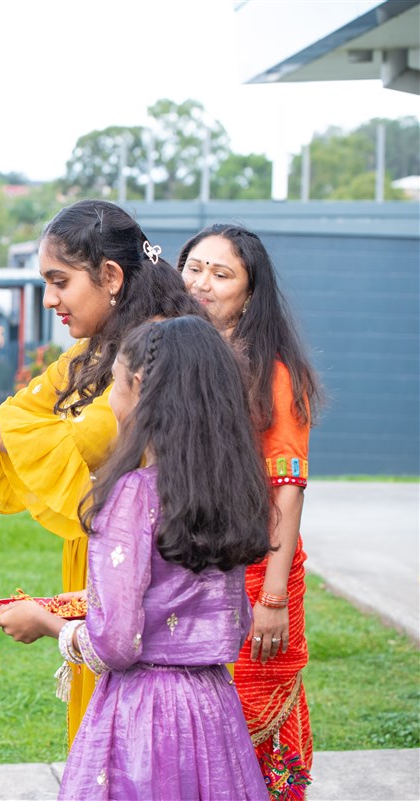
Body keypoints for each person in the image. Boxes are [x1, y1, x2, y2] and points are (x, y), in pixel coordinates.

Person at [0, 199, 202, 747]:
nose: (50, 299)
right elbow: (15, 426)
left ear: (110, 275)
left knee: (137, 743)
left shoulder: (157, 354)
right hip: (104, 553)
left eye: (60, 281)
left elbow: (65, 441)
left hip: (151, 563)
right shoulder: (92, 353)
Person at [0, 315, 272, 800]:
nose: (110, 401)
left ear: (140, 388)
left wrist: (45, 623)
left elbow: (116, 645)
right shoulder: (232, 489)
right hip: (213, 715)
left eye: (114, 387)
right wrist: (92, 596)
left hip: (146, 720)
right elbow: (203, 603)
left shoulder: (133, 495)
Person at [179, 223, 321, 796]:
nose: (202, 283)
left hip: (260, 575)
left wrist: (272, 600)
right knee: (193, 717)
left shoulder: (274, 374)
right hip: (193, 569)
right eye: (194, 267)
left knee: (255, 714)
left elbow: (287, 488)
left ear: (250, 293)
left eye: (221, 273)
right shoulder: (179, 356)